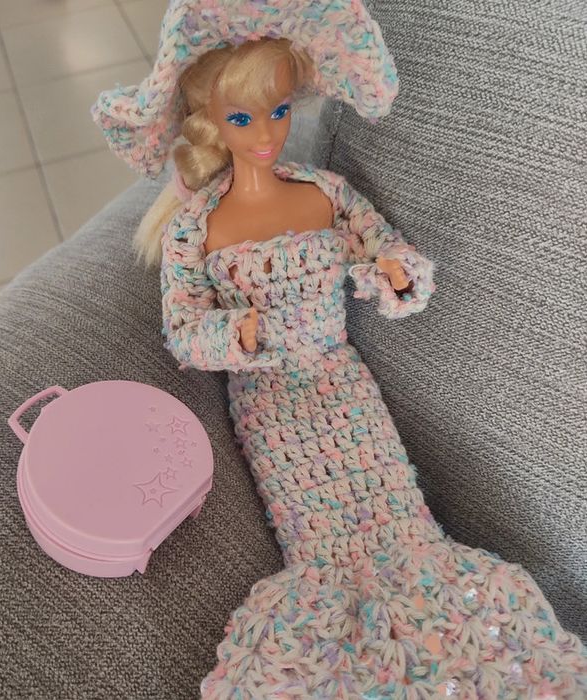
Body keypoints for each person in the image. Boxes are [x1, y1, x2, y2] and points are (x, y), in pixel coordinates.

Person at [92, 4, 587, 697]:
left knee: (402, 521)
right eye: (243, 118)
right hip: (271, 404)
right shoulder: (195, 227)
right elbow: (183, 328)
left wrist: (395, 273)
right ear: (210, 122)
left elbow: (389, 254)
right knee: (322, 548)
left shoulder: (326, 193)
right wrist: (239, 334)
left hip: (345, 384)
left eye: (278, 112)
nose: (267, 134)